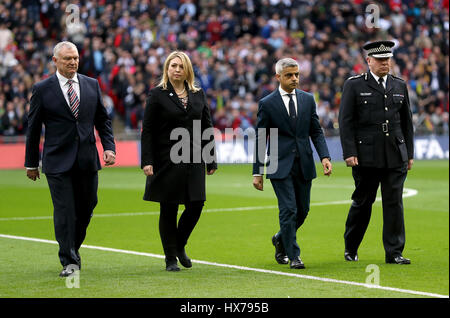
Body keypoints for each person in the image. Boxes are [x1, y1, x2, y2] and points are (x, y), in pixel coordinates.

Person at [24, 41, 116, 277]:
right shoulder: (42, 89)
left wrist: (109, 147)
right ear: (55, 61)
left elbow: (102, 120)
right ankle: (69, 261)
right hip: (57, 162)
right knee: (65, 210)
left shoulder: (91, 84)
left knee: (87, 208)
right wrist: (31, 163)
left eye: (75, 58)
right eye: (67, 59)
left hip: (87, 159)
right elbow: (33, 129)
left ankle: (72, 247)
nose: (73, 62)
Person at [338, 40, 414, 264]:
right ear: (368, 61)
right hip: (366, 155)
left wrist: (409, 154)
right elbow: (346, 121)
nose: (385, 64)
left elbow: (407, 122)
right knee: (363, 202)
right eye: (380, 60)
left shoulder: (400, 85)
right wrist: (349, 152)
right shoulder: (354, 85)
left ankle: (394, 252)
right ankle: (351, 247)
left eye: (387, 59)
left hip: (395, 153)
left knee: (394, 203)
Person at [252, 58, 332, 269]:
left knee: (303, 211)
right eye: (289, 75)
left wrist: (325, 156)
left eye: (296, 74)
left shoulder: (307, 99)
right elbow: (262, 138)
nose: (294, 78)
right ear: (278, 77)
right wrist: (257, 172)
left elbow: (316, 130)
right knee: (288, 210)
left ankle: (280, 238)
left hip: (304, 163)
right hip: (279, 164)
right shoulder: (267, 104)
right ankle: (293, 255)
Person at [141, 51, 217, 272]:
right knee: (169, 208)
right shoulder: (157, 94)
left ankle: (179, 244)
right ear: (167, 69)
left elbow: (206, 127)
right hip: (166, 159)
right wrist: (147, 160)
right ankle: (170, 258)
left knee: (196, 205)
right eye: (172, 65)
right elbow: (148, 130)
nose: (176, 69)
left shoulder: (198, 94)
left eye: (180, 66)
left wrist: (211, 159)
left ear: (187, 71)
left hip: (193, 158)